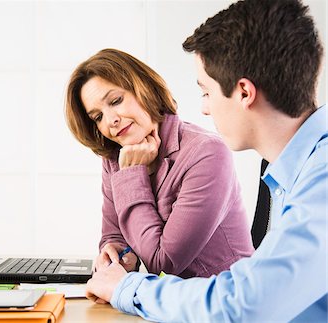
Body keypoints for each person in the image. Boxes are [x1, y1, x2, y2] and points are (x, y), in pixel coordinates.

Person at [85, 0, 327, 321]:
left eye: (206, 91)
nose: (204, 109)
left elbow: (246, 303)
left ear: (244, 92)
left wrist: (127, 287)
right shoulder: (296, 172)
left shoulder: (320, 180)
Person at [65, 48, 254, 282]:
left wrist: (132, 174)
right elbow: (114, 234)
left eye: (116, 101)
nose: (111, 120)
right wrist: (114, 254)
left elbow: (163, 263)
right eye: (97, 117)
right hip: (162, 302)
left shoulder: (207, 152)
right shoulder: (115, 158)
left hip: (223, 303)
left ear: (144, 89)